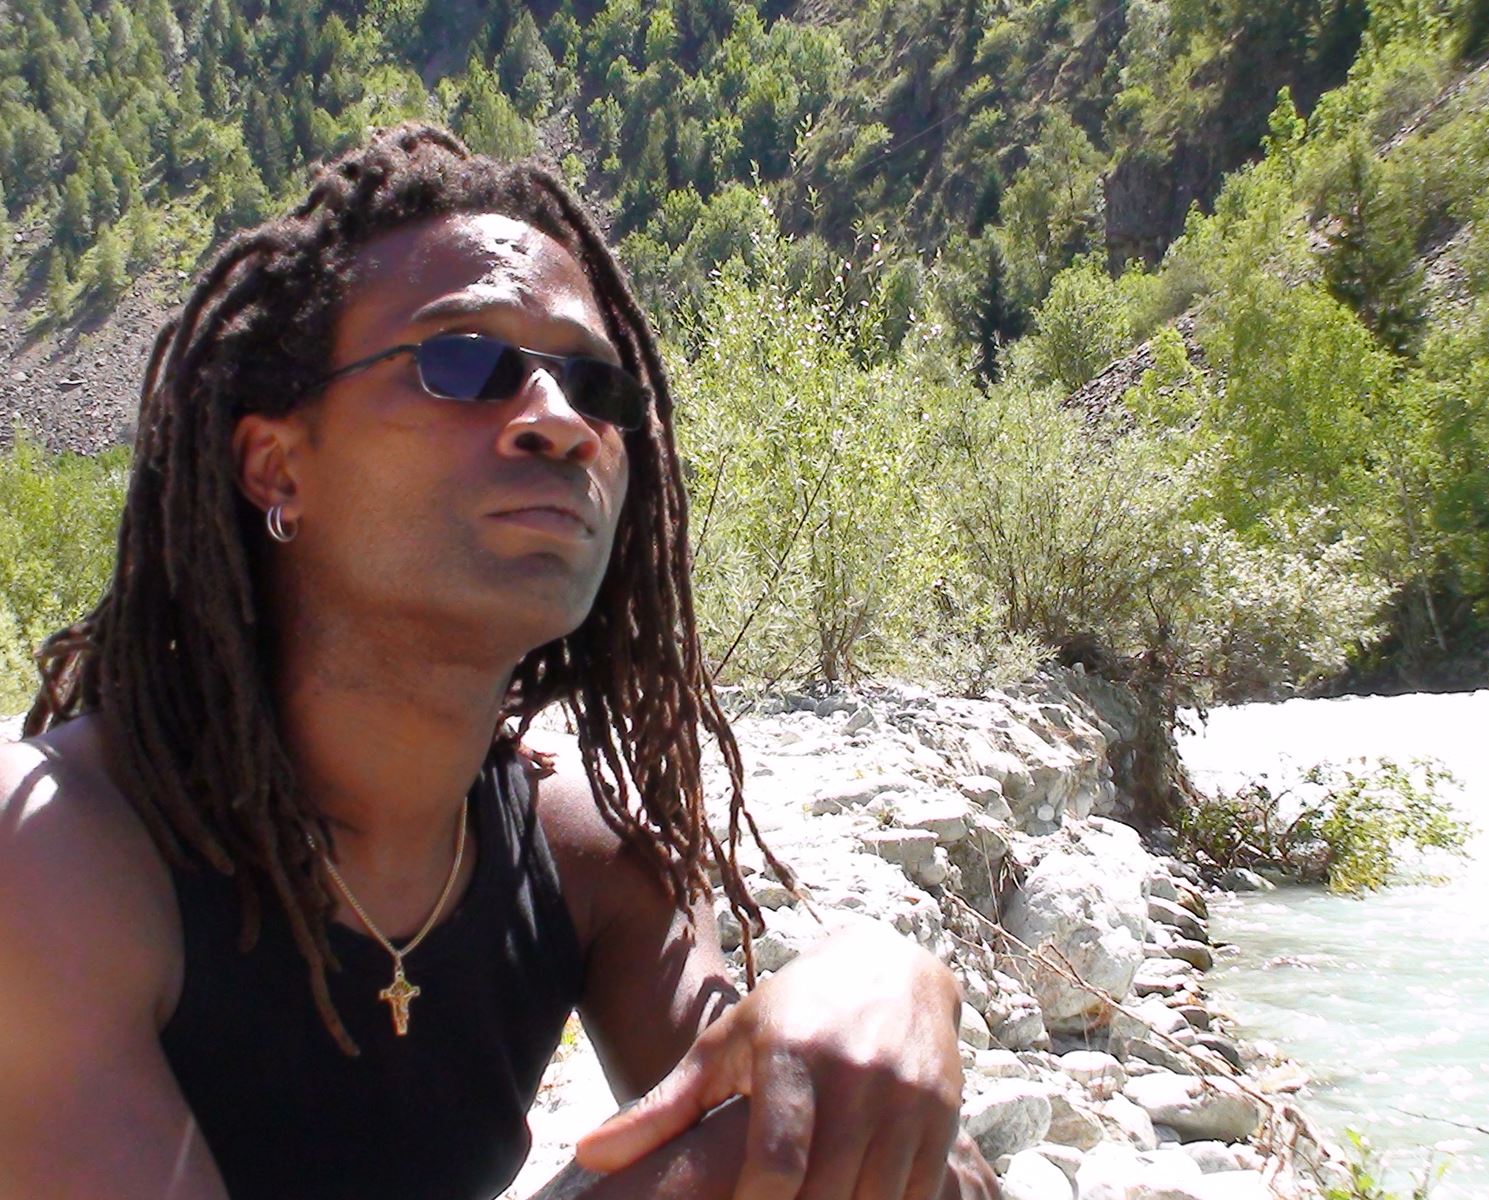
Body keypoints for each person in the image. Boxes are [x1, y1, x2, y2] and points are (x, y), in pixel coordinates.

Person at [0, 126, 999, 1200]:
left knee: (863, 1128)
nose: (557, 422)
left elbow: (782, 1134)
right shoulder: (55, 857)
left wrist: (884, 974)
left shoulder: (586, 856)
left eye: (597, 387)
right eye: (463, 362)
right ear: (276, 465)